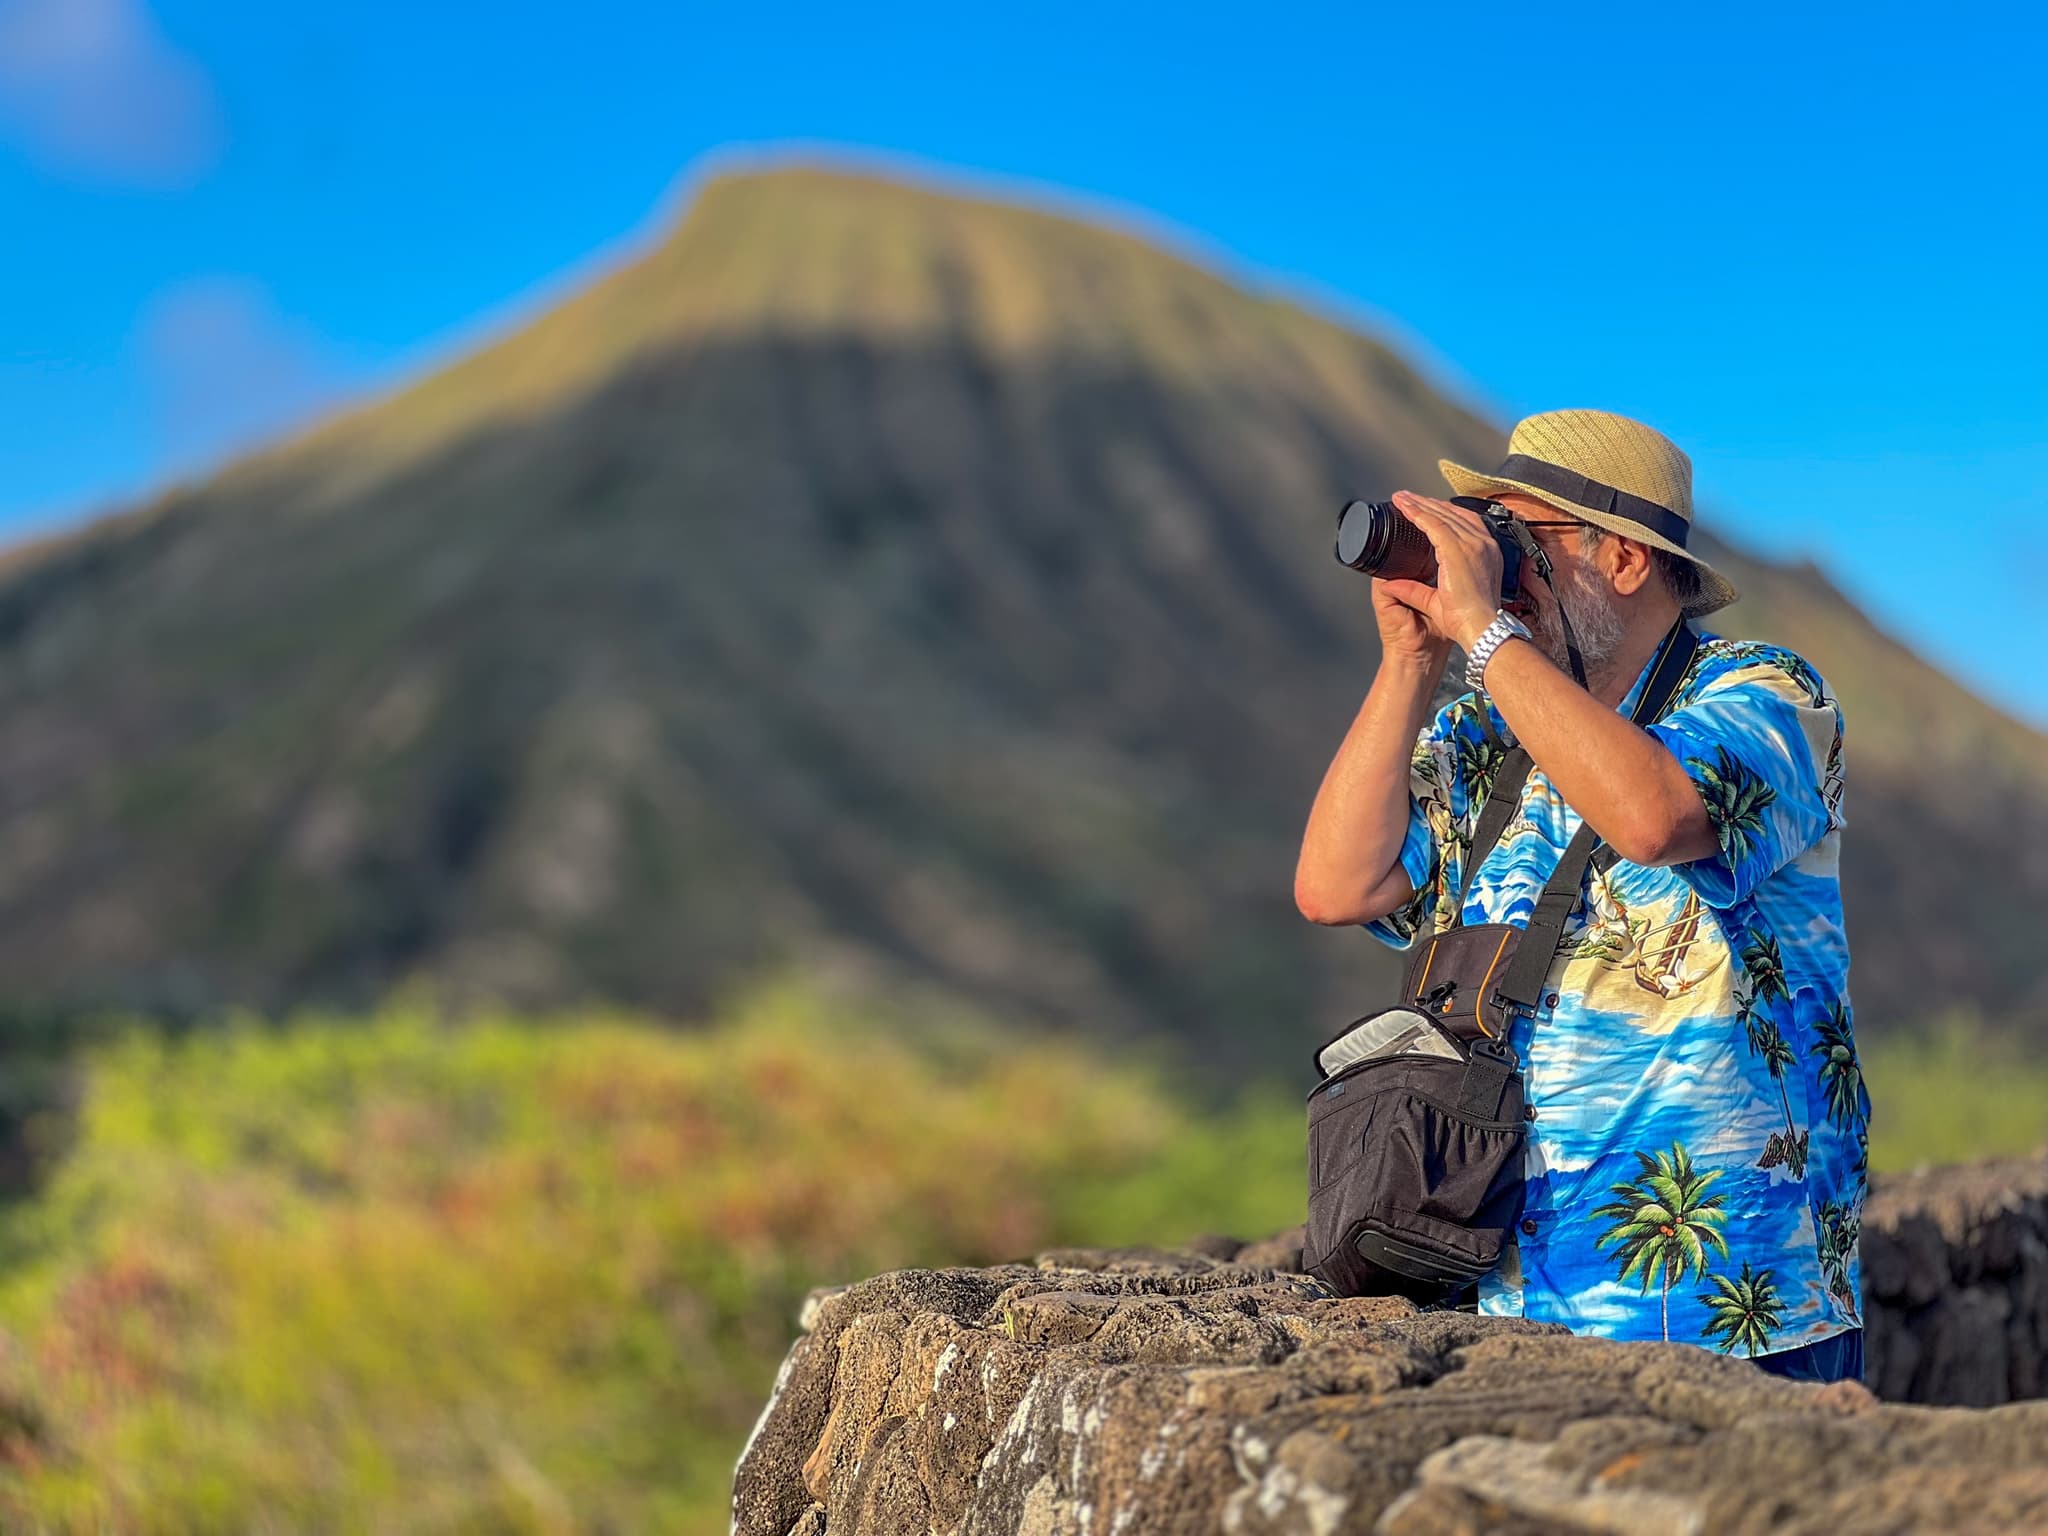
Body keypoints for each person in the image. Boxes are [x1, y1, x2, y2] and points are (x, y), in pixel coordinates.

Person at [1294, 409, 1867, 1382]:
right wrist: (1412, 661)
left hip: (1730, 1304)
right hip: (1500, 1286)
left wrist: (1478, 627)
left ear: (1625, 561)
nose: (1499, 571)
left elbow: (1651, 814)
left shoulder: (1764, 694)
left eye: (1519, 543)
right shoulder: (1488, 734)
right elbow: (1337, 884)